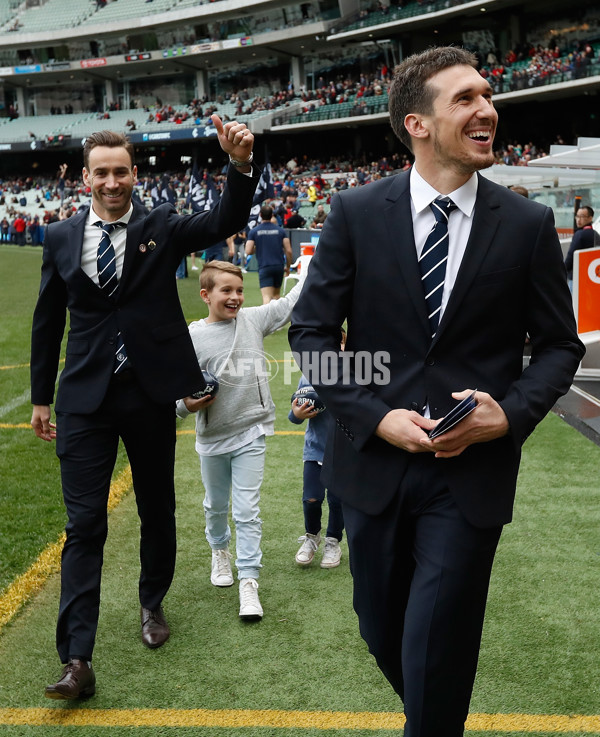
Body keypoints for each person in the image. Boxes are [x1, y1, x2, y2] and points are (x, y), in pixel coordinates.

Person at [288, 46, 584, 737]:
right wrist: (374, 414)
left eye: (488, 95)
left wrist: (505, 416)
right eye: (466, 99)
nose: (488, 109)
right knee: (381, 628)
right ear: (417, 124)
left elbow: (560, 345)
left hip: (469, 477)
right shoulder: (356, 212)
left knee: (437, 637)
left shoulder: (528, 224)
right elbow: (310, 336)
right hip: (371, 469)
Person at [30, 116, 259, 700]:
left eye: (121, 172)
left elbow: (223, 220)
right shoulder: (58, 238)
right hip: (83, 400)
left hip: (150, 393)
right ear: (84, 179)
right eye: (101, 173)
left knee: (158, 506)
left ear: (135, 174)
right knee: (84, 525)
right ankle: (76, 659)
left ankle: (151, 603)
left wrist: (238, 166)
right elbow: (48, 321)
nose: (112, 182)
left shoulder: (160, 225)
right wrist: (39, 397)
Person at [175, 261, 304, 620]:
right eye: (226, 290)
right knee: (216, 505)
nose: (235, 297)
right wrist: (185, 405)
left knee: (247, 511)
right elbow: (169, 389)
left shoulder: (251, 320)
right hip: (213, 436)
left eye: (239, 290)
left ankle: (249, 580)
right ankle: (220, 551)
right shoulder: (194, 337)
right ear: (206, 295)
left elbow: (290, 304)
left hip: (253, 430)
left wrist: (316, 264)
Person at [289, 330, 346, 569]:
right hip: (314, 450)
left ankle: (333, 541)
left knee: (337, 500)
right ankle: (312, 537)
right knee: (311, 498)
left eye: (339, 344)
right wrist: (297, 413)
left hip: (343, 453)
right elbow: (294, 416)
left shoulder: (354, 376)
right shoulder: (308, 378)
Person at [245, 204, 292, 303]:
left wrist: (257, 248)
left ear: (260, 215)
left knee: (266, 297)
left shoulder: (254, 231)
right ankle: (278, 318)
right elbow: (288, 251)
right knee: (276, 296)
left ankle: (268, 318)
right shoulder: (281, 231)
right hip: (279, 266)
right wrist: (288, 267)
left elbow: (248, 251)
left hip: (265, 266)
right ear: (272, 215)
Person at [564, 205, 599, 287]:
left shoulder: (579, 234)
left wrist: (563, 270)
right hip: (591, 276)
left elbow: (570, 257)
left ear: (590, 218)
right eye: (577, 216)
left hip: (576, 276)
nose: (578, 219)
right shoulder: (596, 234)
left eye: (582, 216)